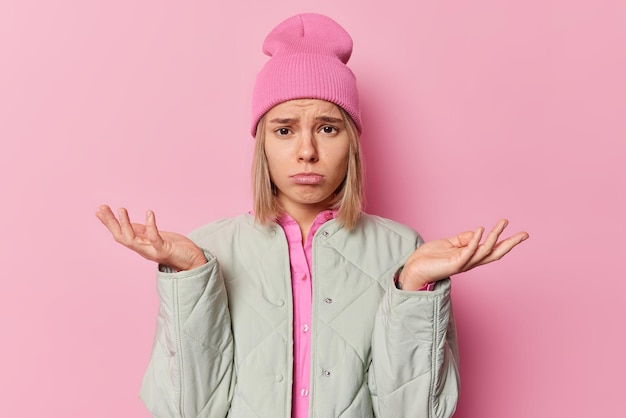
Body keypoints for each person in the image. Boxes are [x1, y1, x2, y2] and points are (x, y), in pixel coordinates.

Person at [96, 13, 528, 418]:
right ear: (262, 143)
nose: (307, 151)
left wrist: (413, 287)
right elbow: (186, 410)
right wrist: (191, 278)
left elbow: (414, 412)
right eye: (284, 130)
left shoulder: (402, 250)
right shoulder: (209, 249)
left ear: (352, 142)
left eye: (327, 127)